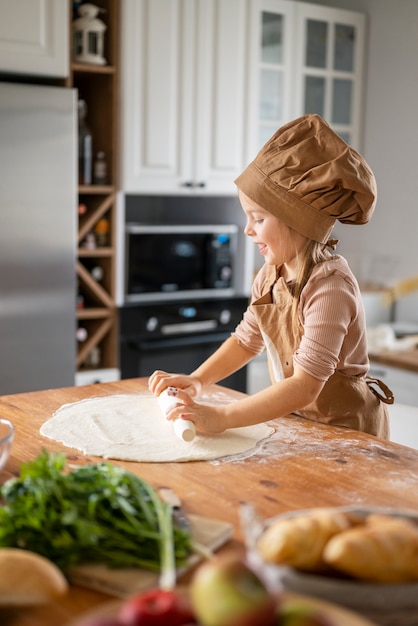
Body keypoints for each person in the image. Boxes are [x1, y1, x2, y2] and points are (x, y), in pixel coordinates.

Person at [149, 114, 393, 439]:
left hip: (349, 436)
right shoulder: (270, 276)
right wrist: (198, 380)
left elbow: (305, 386)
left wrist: (222, 417)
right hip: (302, 425)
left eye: (259, 219)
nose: (248, 230)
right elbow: (246, 339)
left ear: (298, 223)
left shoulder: (330, 288)